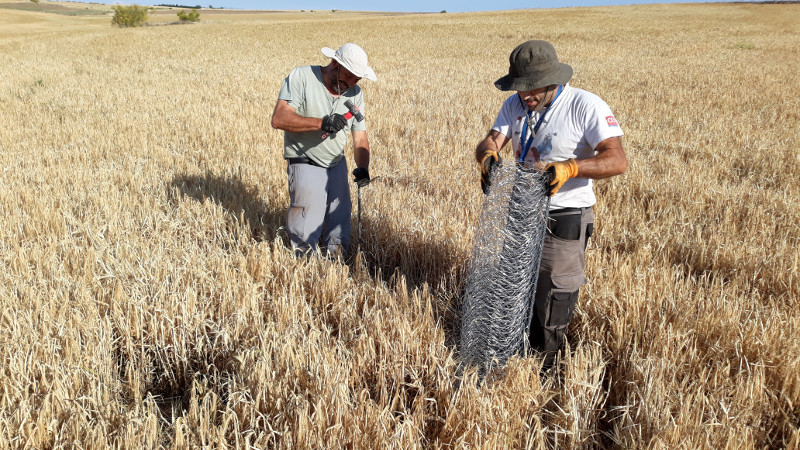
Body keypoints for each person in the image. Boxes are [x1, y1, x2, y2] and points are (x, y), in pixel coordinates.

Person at [474, 40, 627, 371]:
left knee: (552, 302)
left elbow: (617, 160)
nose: (525, 96)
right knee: (516, 292)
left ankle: (546, 372)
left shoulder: (585, 106)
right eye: (520, 88)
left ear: (553, 79)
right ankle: (514, 362)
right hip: (522, 212)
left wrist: (571, 167)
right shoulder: (514, 105)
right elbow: (492, 139)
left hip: (566, 215)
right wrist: (487, 155)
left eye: (533, 89)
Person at [271, 43, 376, 259]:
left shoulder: (355, 93)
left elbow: (360, 136)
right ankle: (305, 274)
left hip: (336, 163)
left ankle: (335, 274)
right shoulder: (302, 76)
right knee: (307, 224)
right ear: (335, 64)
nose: (351, 84)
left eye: (357, 79)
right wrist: (322, 123)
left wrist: (363, 167)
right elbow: (279, 118)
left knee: (340, 225)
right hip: (305, 160)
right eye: (348, 76)